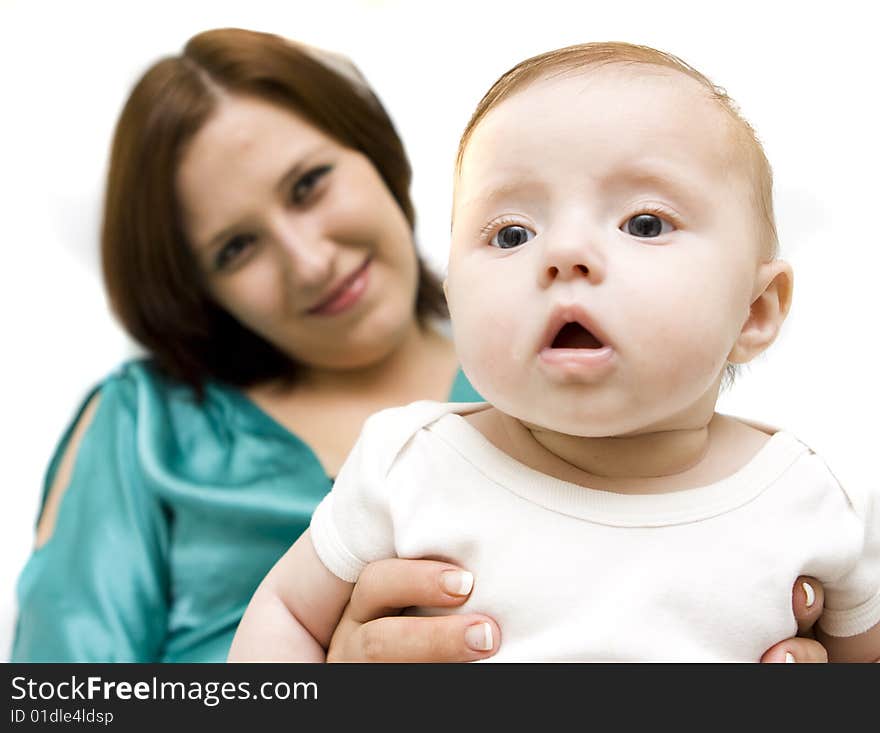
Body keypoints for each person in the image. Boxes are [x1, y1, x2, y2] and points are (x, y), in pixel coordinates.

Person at [12, 30, 826, 663]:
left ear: (379, 156)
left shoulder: (577, 375)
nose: (310, 260)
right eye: (236, 248)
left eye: (310, 185)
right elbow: (59, 704)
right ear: (198, 287)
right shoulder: (143, 429)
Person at [227, 42, 877, 662]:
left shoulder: (819, 497)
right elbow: (286, 609)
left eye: (644, 223)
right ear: (455, 300)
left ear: (755, 310)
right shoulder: (407, 465)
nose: (564, 252)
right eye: (512, 233)